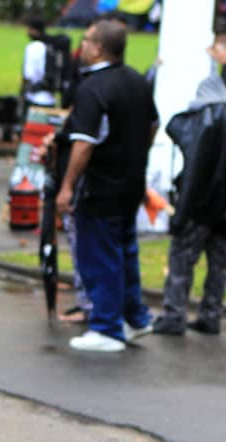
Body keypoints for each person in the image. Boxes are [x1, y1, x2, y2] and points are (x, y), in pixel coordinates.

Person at [56, 20, 158, 353]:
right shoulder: (136, 81)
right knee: (125, 252)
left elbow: (83, 144)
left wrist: (67, 186)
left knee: (99, 257)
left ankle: (107, 327)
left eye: (85, 40)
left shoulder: (92, 87)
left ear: (98, 47)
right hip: (130, 183)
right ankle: (135, 318)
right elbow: (153, 125)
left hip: (99, 187)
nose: (81, 46)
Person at [153, 75, 226, 336]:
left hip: (198, 204)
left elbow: (191, 158)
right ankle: (211, 315)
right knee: (219, 263)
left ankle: (174, 314)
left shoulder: (202, 118)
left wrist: (183, 209)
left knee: (181, 259)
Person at [22, 16, 57, 110]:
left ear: (35, 30)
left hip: (34, 99)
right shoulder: (51, 46)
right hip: (51, 100)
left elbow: (28, 75)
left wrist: (23, 93)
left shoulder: (32, 47)